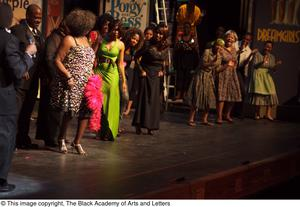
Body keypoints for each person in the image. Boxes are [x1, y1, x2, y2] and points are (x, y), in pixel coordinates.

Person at [0, 3, 36, 192]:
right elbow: (18, 70)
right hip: (3, 99)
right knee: (5, 139)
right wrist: (28, 55)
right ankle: (1, 181)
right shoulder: (8, 40)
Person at [51, 9, 96, 154]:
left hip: (87, 83)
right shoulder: (69, 39)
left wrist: (93, 76)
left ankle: (77, 142)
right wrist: (68, 76)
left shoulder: (86, 40)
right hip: (72, 82)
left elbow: (87, 62)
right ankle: (62, 138)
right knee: (70, 112)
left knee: (86, 113)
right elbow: (57, 60)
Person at [11, 4, 44, 149]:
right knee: (16, 112)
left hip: (33, 80)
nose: (38, 20)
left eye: (40, 18)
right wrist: (21, 66)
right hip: (21, 79)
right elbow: (12, 52)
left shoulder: (38, 33)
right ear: (28, 15)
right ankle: (11, 140)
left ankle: (23, 139)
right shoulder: (17, 30)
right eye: (35, 17)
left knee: (27, 112)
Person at [132, 24, 169, 135]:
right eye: (157, 32)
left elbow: (164, 61)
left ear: (164, 35)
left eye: (161, 33)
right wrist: (141, 70)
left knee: (153, 101)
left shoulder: (165, 46)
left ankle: (150, 127)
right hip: (146, 73)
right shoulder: (147, 44)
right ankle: (138, 125)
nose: (158, 35)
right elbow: (136, 57)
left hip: (156, 76)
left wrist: (163, 70)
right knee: (144, 100)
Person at [94, 20, 127, 141]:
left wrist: (123, 81)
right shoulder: (100, 40)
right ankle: (98, 130)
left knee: (111, 102)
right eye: (114, 29)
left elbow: (121, 64)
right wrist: (91, 71)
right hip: (99, 72)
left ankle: (110, 131)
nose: (116, 32)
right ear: (109, 29)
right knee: (98, 103)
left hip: (112, 73)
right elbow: (93, 55)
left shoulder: (121, 45)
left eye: (118, 30)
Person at [41, 19, 70, 147]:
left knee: (58, 110)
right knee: (52, 110)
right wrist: (55, 76)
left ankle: (56, 136)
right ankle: (50, 137)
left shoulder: (63, 38)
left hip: (58, 78)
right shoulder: (55, 37)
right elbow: (49, 58)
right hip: (52, 79)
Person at [186, 39, 224, 126]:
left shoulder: (220, 56)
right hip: (201, 75)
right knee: (197, 96)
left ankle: (205, 119)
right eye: (218, 45)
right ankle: (191, 119)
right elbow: (203, 64)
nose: (219, 47)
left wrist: (226, 66)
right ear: (214, 45)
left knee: (209, 98)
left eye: (221, 46)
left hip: (209, 77)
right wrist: (213, 61)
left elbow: (217, 69)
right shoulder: (207, 52)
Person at [248, 41, 282, 120]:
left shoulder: (272, 57)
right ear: (264, 46)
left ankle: (268, 114)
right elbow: (255, 66)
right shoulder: (258, 54)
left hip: (267, 75)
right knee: (259, 95)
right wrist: (262, 61)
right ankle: (257, 113)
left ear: (271, 48)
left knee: (271, 94)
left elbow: (273, 69)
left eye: (269, 47)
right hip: (258, 74)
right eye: (266, 46)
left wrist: (276, 65)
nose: (267, 48)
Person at [216, 30, 242, 124]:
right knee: (221, 96)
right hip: (223, 73)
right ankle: (219, 116)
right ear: (225, 38)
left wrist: (234, 65)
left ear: (235, 40)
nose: (230, 38)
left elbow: (234, 61)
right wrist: (227, 64)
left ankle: (227, 114)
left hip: (232, 74)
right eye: (228, 36)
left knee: (233, 94)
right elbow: (217, 63)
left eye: (232, 37)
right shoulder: (221, 49)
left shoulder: (234, 50)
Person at [173, 22, 199, 100]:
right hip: (180, 59)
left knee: (187, 78)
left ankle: (185, 94)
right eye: (185, 27)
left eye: (188, 27)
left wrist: (187, 46)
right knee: (180, 77)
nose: (186, 29)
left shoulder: (193, 38)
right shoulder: (180, 37)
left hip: (189, 60)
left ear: (190, 29)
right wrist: (181, 44)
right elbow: (176, 47)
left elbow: (195, 48)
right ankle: (178, 94)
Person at [233, 32, 257, 118]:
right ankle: (228, 112)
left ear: (250, 41)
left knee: (242, 91)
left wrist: (251, 54)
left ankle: (239, 112)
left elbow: (245, 63)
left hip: (239, 70)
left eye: (247, 40)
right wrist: (240, 50)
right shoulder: (235, 44)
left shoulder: (249, 51)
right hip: (230, 67)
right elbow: (232, 56)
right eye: (244, 38)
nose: (245, 41)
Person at [122, 28, 144, 116]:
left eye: (137, 40)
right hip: (120, 72)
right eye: (133, 38)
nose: (134, 41)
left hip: (128, 73)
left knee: (125, 96)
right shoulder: (122, 45)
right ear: (129, 37)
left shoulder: (134, 50)